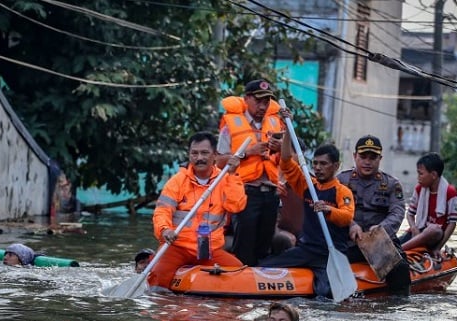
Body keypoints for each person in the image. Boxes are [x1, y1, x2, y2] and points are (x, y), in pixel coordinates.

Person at [259, 132, 355, 297]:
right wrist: (289, 133)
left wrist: (328, 210)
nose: (318, 168)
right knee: (265, 265)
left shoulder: (342, 191)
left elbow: (347, 217)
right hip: (306, 250)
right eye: (315, 163)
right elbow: (287, 162)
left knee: (325, 293)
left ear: (335, 166)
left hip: (328, 255)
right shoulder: (308, 185)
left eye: (323, 164)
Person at [148, 131, 247, 289]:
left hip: (209, 250)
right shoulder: (177, 181)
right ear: (189, 155)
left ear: (215, 155)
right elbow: (162, 211)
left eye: (204, 153)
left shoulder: (226, 179)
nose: (199, 157)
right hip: (178, 247)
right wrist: (165, 230)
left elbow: (237, 206)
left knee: (239, 273)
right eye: (194, 153)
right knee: (158, 279)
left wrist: (233, 174)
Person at [216, 79, 286, 266]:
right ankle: (239, 279)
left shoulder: (276, 124)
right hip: (244, 192)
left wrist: (281, 147)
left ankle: (259, 285)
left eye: (267, 102)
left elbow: (287, 162)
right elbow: (219, 161)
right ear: (246, 99)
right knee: (244, 243)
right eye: (259, 101)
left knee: (265, 243)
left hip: (270, 193)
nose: (263, 106)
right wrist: (248, 152)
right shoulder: (230, 125)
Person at [337, 135, 411, 296]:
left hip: (378, 242)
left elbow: (398, 212)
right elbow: (333, 208)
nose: (367, 162)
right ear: (355, 156)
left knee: (399, 268)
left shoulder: (391, 184)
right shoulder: (341, 180)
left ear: (380, 159)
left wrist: (381, 229)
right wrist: (350, 224)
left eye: (373, 158)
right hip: (348, 239)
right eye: (363, 157)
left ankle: (398, 306)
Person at [399, 153, 457, 257]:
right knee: (391, 241)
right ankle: (399, 248)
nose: (418, 178)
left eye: (421, 174)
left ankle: (399, 250)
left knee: (433, 229)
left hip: (434, 236)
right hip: (417, 232)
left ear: (434, 175)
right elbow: (410, 214)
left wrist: (438, 247)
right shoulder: (419, 189)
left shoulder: (450, 192)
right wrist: (414, 228)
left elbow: (452, 223)